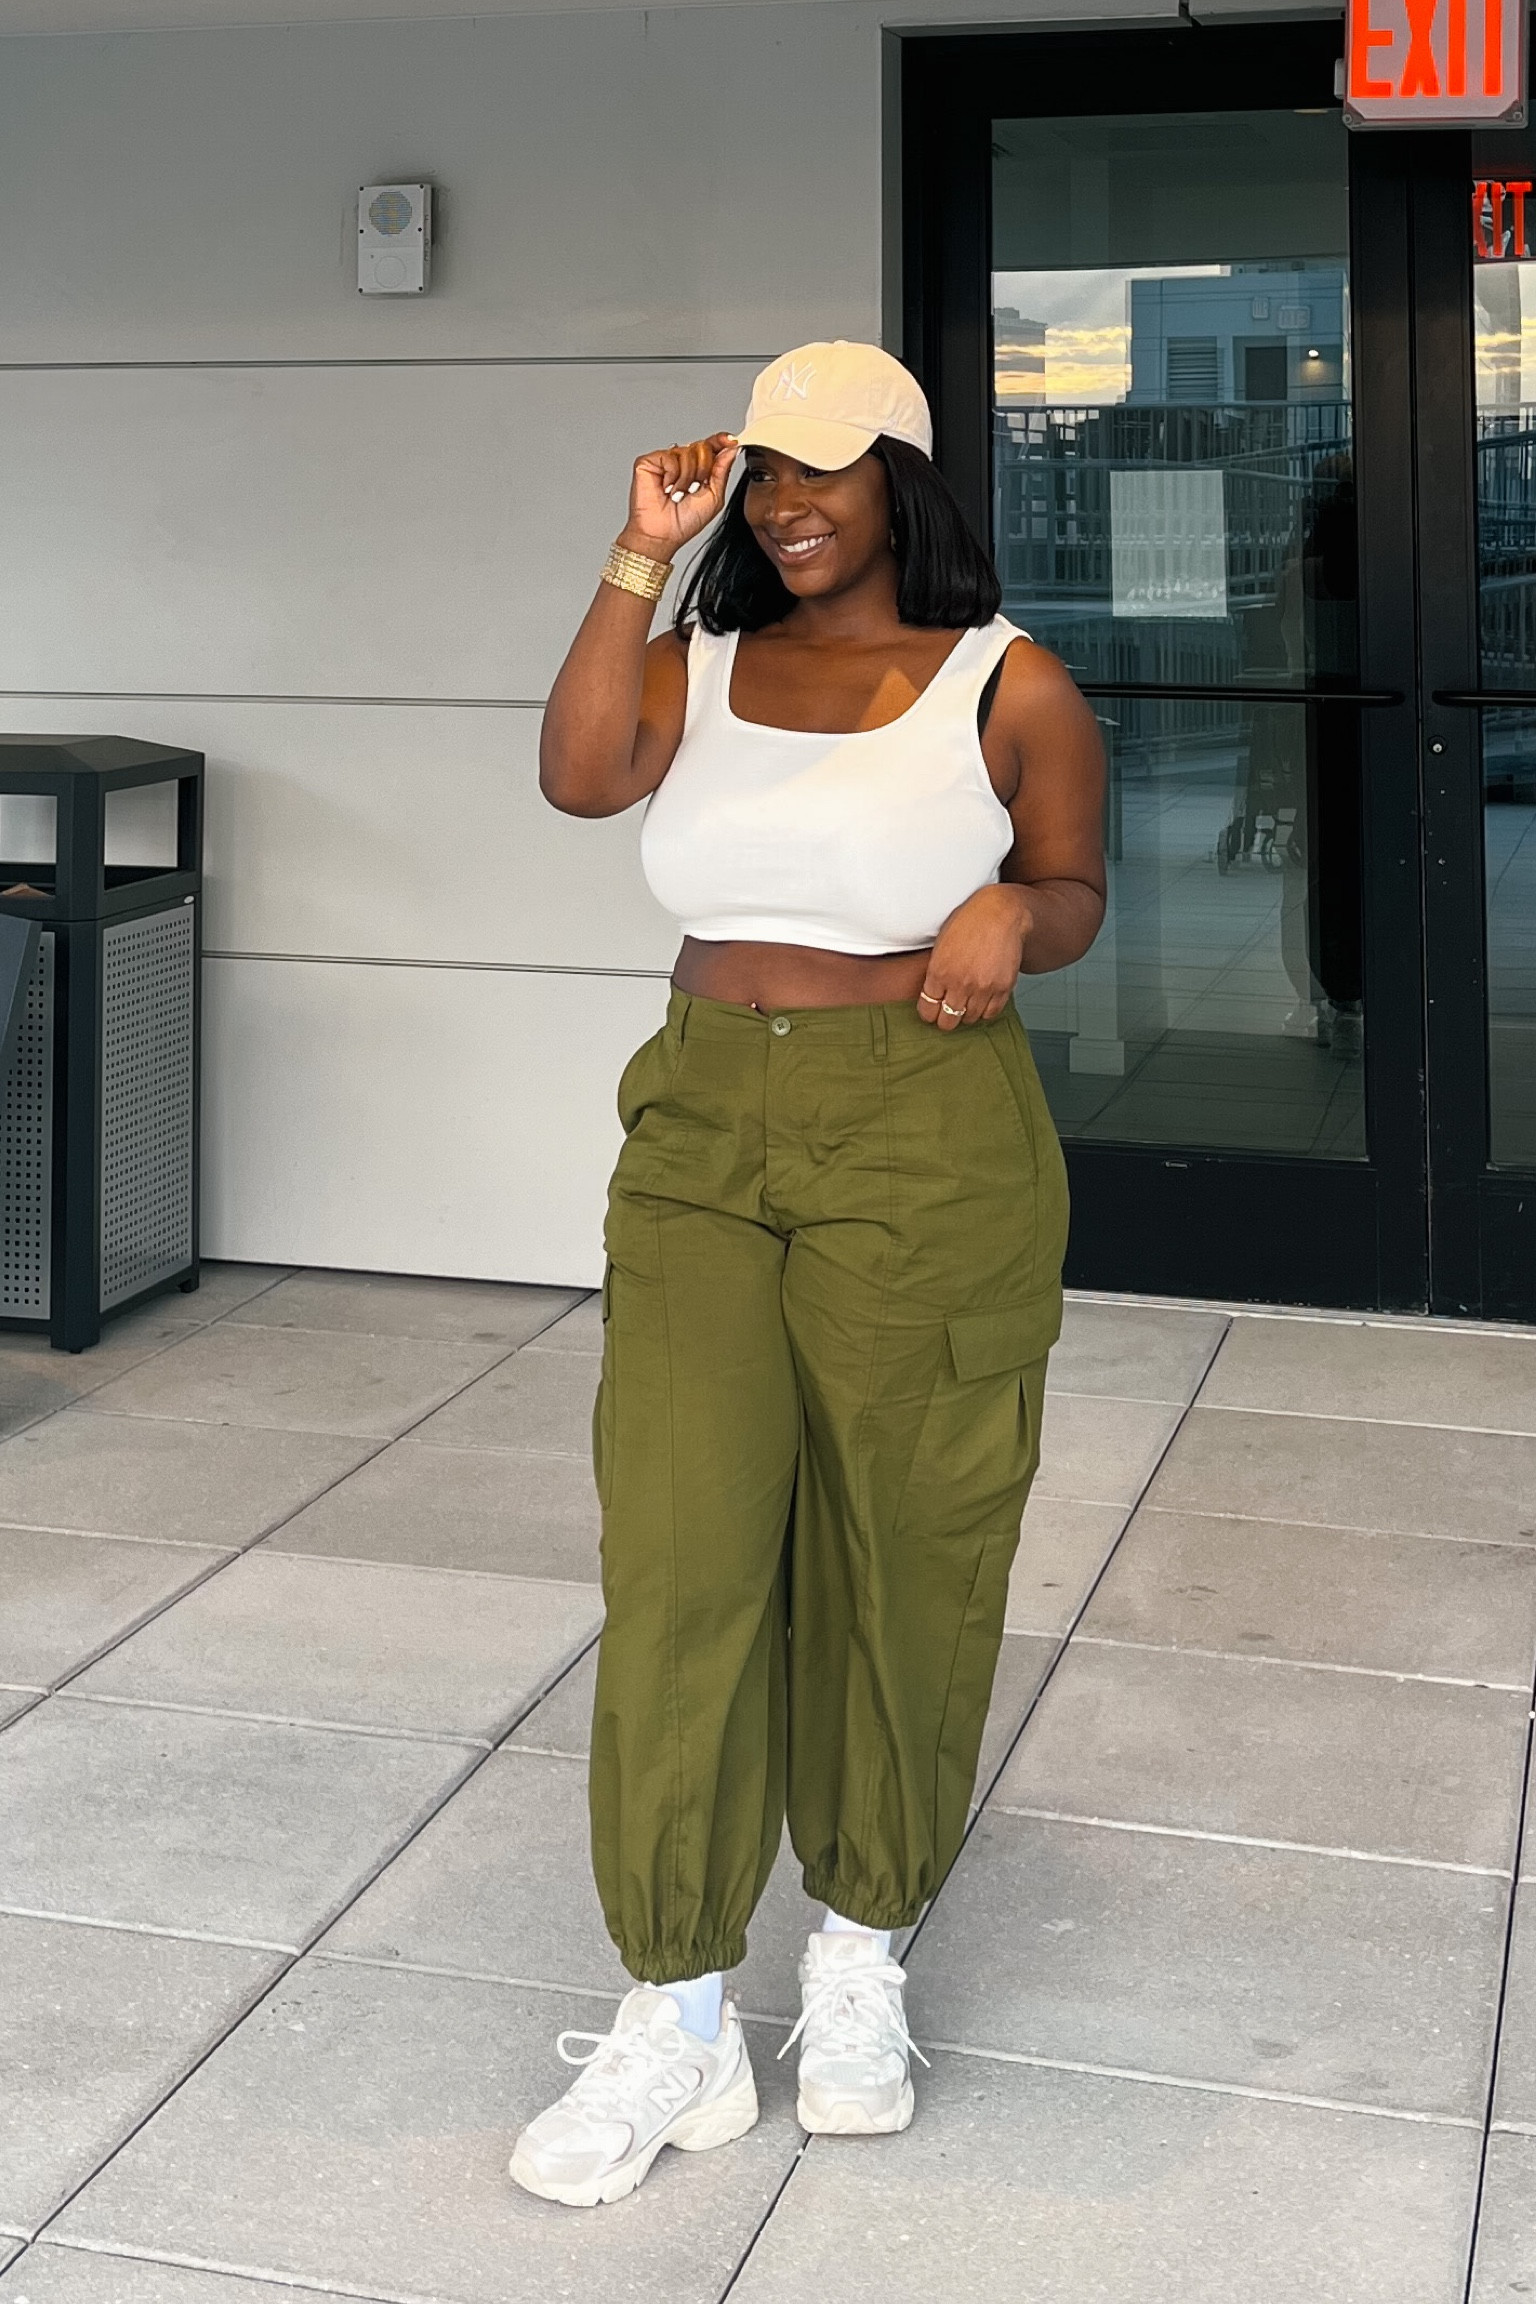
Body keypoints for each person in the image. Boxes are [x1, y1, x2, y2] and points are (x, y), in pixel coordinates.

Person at [511, 341, 1106, 2208]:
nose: (785, 502)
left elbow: (1077, 887)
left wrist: (1013, 906)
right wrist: (637, 551)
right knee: (681, 1548)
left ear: (902, 491)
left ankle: (859, 1954)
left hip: (922, 1125)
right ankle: (675, 2004)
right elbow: (577, 780)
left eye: (825, 474)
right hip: (702, 1127)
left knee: (905, 1538)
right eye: (762, 471)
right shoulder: (691, 664)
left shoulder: (1006, 680)